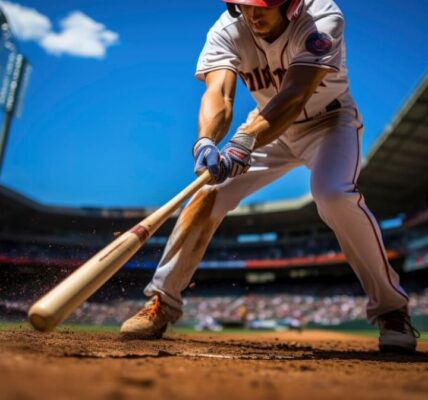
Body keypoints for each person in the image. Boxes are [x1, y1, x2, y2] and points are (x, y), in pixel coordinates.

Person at [120, 0, 419, 352]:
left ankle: (391, 311)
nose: (253, 14)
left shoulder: (322, 17)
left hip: (327, 122)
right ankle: (162, 302)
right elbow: (219, 95)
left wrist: (245, 140)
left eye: (263, 5)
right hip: (265, 126)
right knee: (207, 193)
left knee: (333, 194)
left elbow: (296, 94)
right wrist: (205, 141)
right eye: (245, 5)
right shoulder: (226, 29)